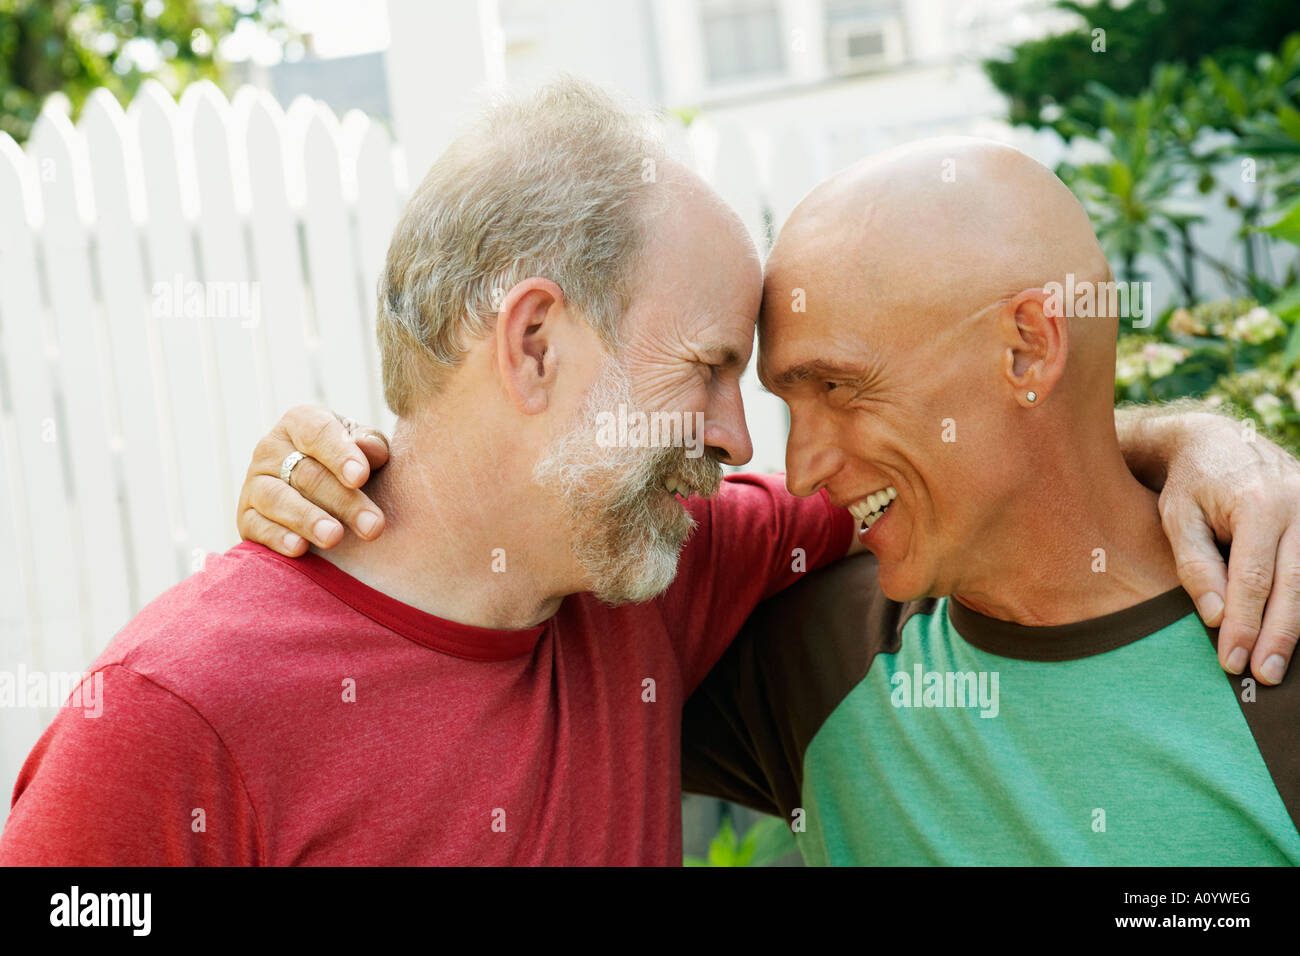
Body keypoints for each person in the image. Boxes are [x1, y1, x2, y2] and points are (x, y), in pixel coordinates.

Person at [6, 80, 1298, 865]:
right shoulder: (167, 720)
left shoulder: (657, 579)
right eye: (713, 372)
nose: (752, 446)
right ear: (533, 343)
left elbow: (996, 464)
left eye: (795, 389)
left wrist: (1196, 440)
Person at [680, 137, 1300, 864]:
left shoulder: (1276, 635)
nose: (802, 471)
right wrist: (1177, 436)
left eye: (838, 388)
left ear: (1028, 350)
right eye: (791, 401)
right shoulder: (804, 660)